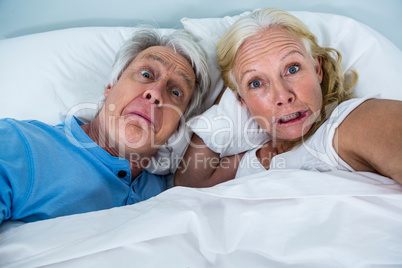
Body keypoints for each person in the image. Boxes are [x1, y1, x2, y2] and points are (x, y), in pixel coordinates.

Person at [0, 26, 210, 225]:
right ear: (110, 87)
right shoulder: (18, 144)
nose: (156, 93)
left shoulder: (168, 192)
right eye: (146, 74)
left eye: (175, 92)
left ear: (177, 125)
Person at [174, 8, 402, 187]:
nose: (283, 96)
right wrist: (225, 108)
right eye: (256, 83)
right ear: (241, 101)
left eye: (292, 69)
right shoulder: (260, 158)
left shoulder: (345, 124)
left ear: (317, 69)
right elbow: (190, 182)